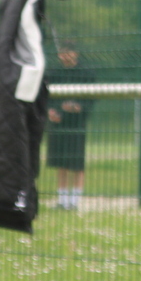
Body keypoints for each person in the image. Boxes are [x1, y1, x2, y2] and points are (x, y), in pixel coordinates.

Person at [46, 46, 93, 210]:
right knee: (61, 162)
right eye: (62, 53)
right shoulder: (54, 73)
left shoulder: (86, 73)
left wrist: (77, 107)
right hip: (58, 124)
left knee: (76, 163)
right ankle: (62, 199)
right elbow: (47, 97)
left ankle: (75, 200)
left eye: (68, 52)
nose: (64, 56)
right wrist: (50, 111)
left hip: (76, 124)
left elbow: (90, 99)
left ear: (75, 53)